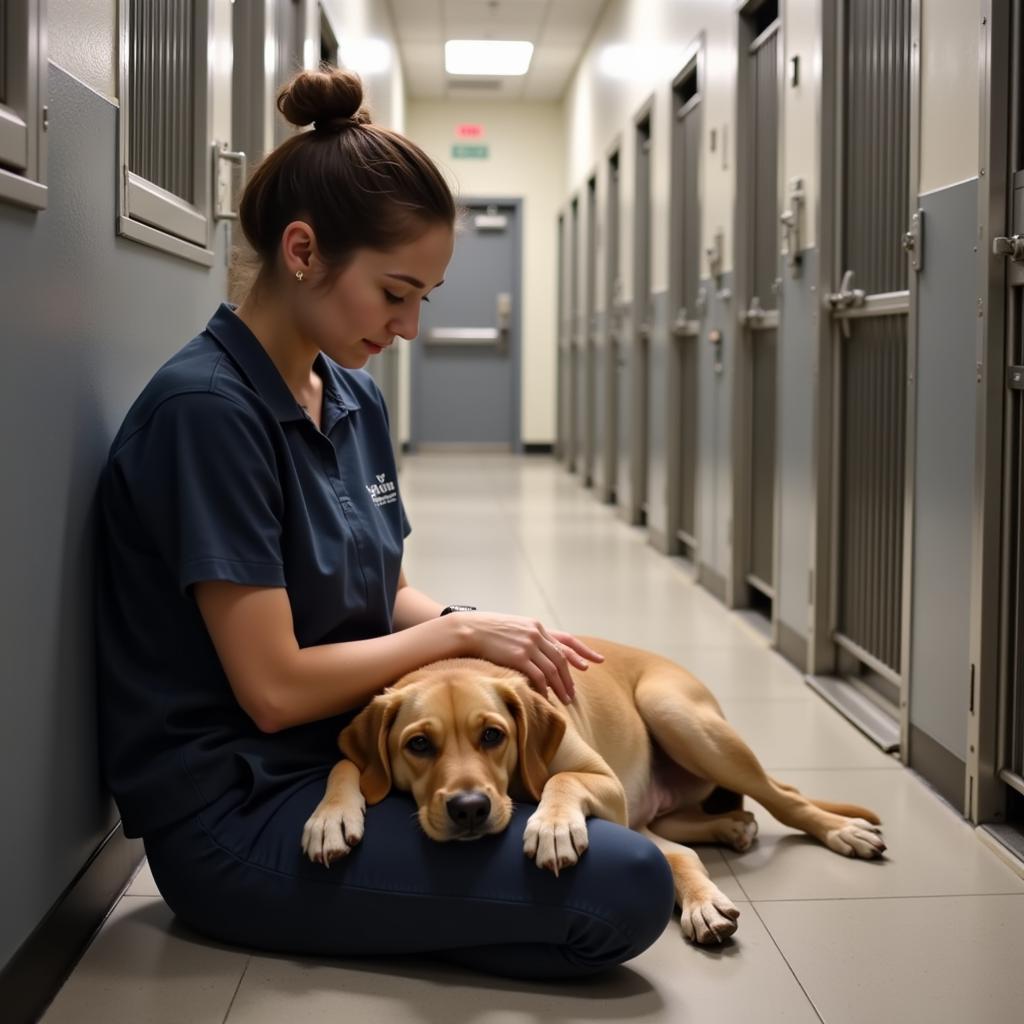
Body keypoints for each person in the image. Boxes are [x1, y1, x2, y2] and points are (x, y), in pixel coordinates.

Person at [96, 67, 674, 980]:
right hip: (240, 810)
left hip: (350, 759)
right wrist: (459, 631)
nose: (407, 326)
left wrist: (484, 646)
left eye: (425, 301)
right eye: (394, 292)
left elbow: (389, 592)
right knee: (629, 887)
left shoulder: (352, 397)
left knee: (559, 800)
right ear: (300, 251)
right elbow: (276, 689)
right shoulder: (206, 414)